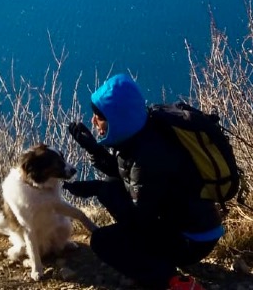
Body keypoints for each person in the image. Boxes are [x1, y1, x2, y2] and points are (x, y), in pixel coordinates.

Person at [64, 72, 224, 290]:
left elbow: (139, 217)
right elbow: (127, 177)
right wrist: (94, 149)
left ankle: (173, 282)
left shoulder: (148, 156)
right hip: (195, 225)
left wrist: (100, 190)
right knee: (112, 186)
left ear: (118, 117)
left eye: (99, 115)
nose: (93, 120)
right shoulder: (142, 133)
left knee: (102, 241)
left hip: (192, 240)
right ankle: (157, 262)